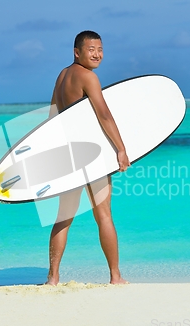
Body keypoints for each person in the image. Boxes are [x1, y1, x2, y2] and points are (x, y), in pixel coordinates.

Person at [45, 30, 130, 285]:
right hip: (90, 157)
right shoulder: (88, 77)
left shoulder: (62, 76)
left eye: (100, 49)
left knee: (63, 218)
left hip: (68, 154)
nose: (97, 54)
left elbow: (52, 117)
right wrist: (121, 148)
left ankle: (53, 277)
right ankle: (115, 277)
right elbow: (104, 115)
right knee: (103, 215)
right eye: (91, 49)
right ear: (77, 52)